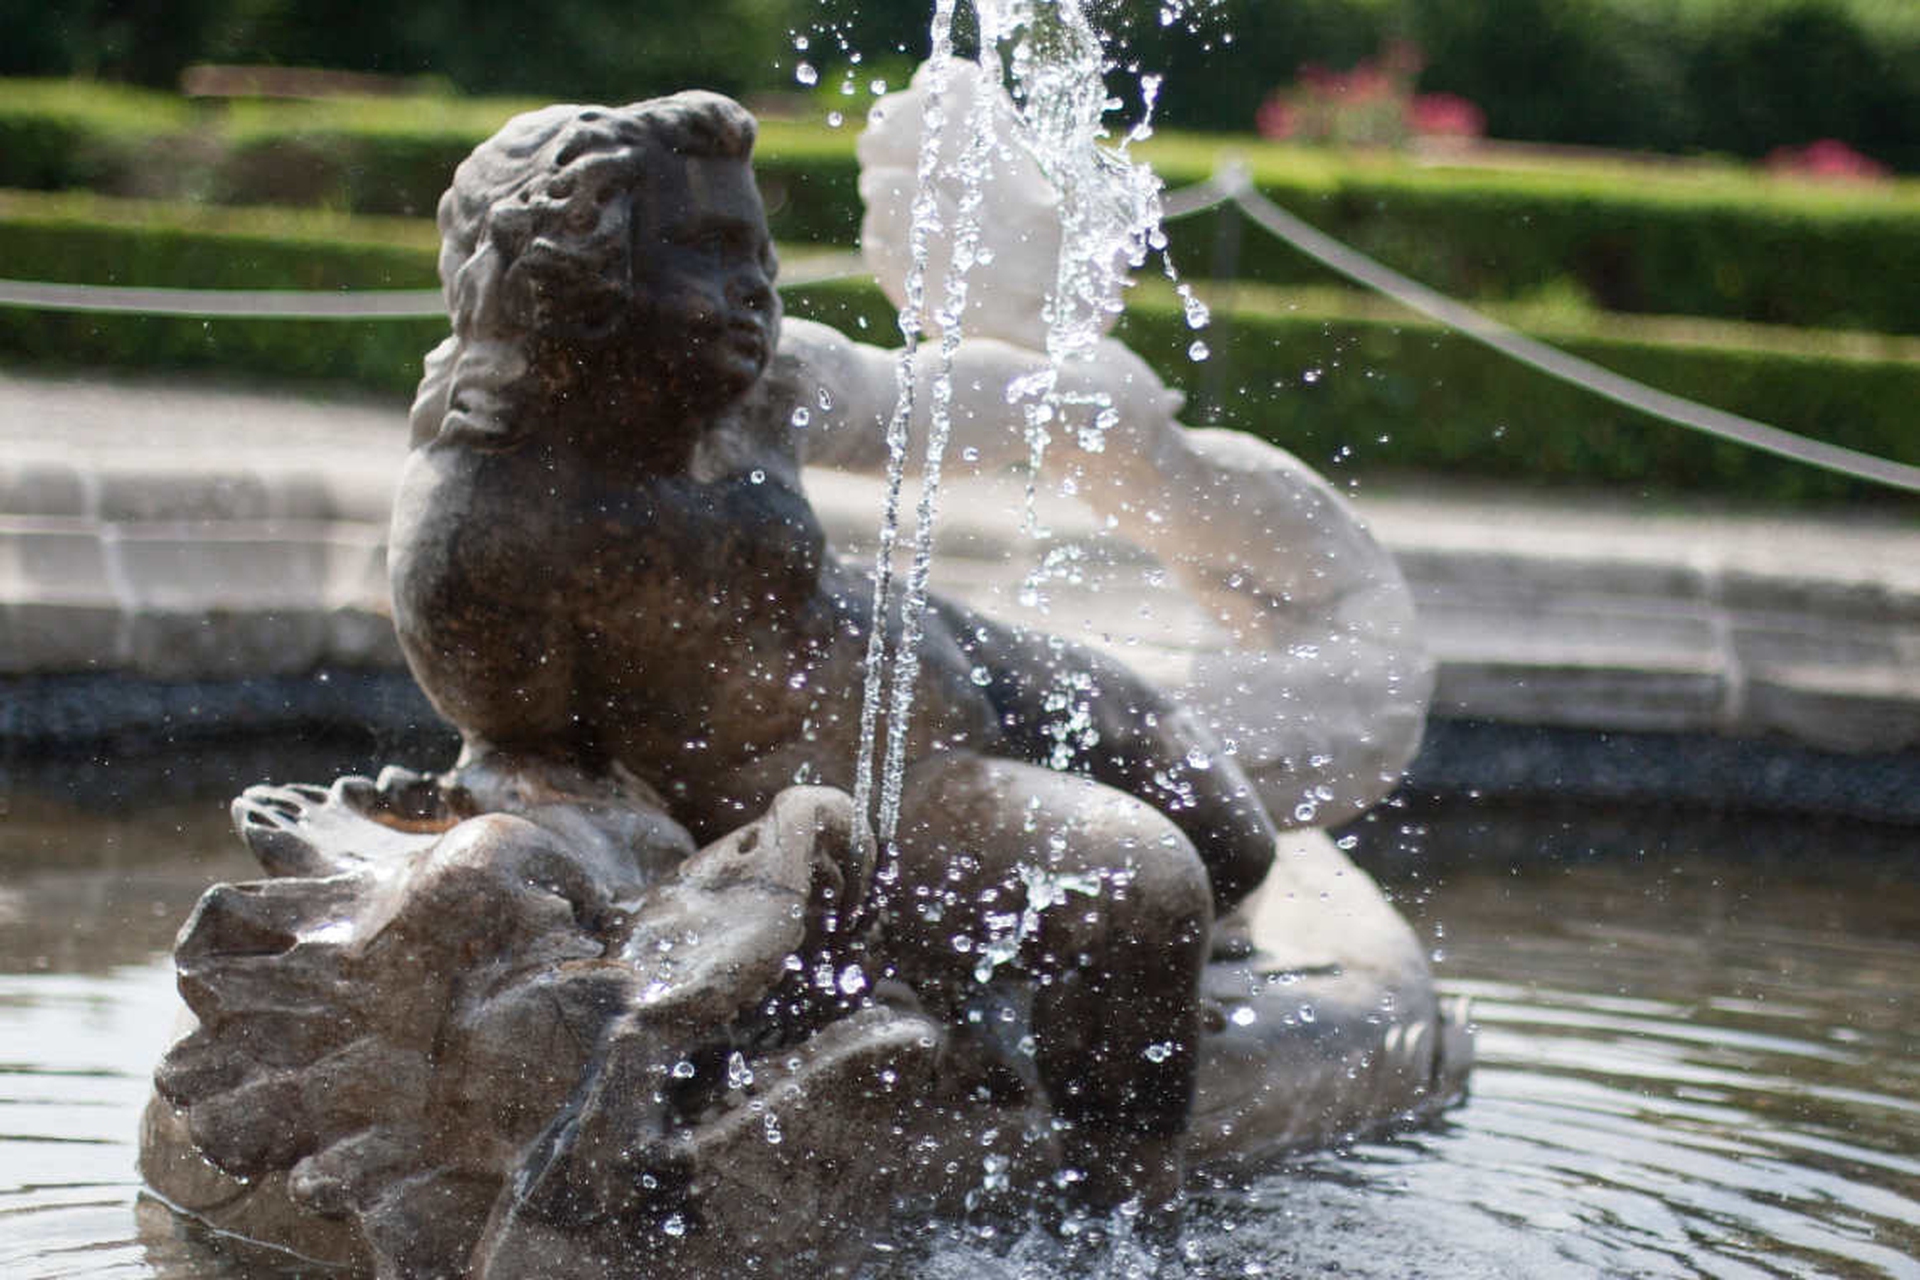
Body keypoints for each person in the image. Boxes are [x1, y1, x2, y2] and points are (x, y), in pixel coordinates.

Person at [392, 90, 1279, 1209]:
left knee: (1236, 836)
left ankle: (1036, 997)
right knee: (1145, 879)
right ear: (576, 274)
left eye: (756, 250)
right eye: (709, 253)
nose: (756, 288)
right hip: (868, 797)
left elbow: (919, 396)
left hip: (944, 653)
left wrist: (1089, 394)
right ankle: (1121, 1205)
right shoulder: (491, 530)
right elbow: (536, 778)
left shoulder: (758, 383)